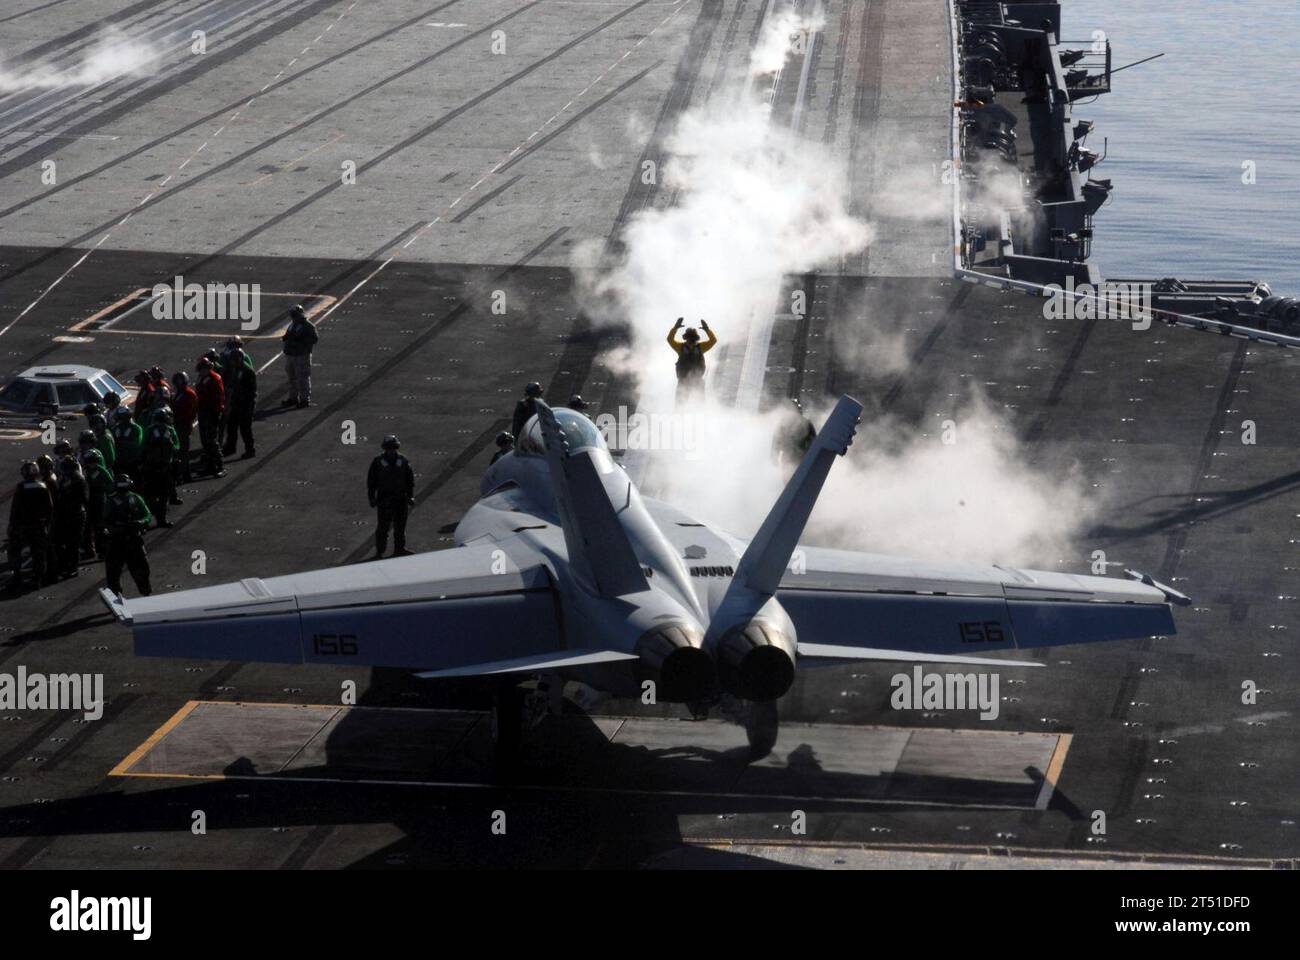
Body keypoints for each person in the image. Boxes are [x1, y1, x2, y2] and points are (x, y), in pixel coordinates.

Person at [103, 475, 152, 596]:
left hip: (132, 538)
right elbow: (104, 520)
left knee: (142, 569)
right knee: (113, 572)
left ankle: (145, 592)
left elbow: (147, 515)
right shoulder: (112, 500)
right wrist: (113, 528)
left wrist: (140, 523)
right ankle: (116, 595)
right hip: (118, 539)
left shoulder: (135, 498)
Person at [6, 461, 53, 589]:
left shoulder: (21, 487)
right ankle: (37, 579)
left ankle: (16, 577)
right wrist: (47, 524)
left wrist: (12, 525)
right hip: (38, 525)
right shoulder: (43, 486)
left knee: (15, 550)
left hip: (22, 525)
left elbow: (15, 509)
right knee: (38, 553)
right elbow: (49, 508)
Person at [367, 436, 414, 558]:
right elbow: (371, 481)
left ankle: (400, 548)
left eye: (393, 448)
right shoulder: (377, 462)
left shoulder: (403, 461)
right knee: (383, 528)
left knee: (400, 527)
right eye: (389, 448)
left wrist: (411, 496)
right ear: (385, 449)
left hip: (400, 499)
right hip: (384, 500)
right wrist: (371, 497)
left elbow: (410, 480)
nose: (391, 450)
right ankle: (379, 552)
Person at [52, 448, 88, 577]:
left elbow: (84, 499)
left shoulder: (78, 479)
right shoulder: (63, 478)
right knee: (61, 542)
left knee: (72, 543)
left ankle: (72, 567)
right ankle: (64, 565)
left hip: (76, 514)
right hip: (65, 513)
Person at [140, 409, 177, 528]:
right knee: (160, 494)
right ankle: (160, 517)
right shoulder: (168, 430)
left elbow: (142, 447)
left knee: (157, 494)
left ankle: (157, 517)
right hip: (159, 466)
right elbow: (177, 446)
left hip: (158, 466)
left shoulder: (152, 430)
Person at [667, 318, 717, 404]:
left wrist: (707, 329)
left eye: (693, 338)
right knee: (680, 404)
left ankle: (699, 416)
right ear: (686, 338)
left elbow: (713, 340)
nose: (691, 340)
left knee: (699, 404)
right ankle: (679, 416)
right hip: (683, 381)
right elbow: (670, 339)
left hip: (696, 380)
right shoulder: (681, 347)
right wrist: (675, 328)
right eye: (690, 338)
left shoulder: (700, 347)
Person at [281, 304, 318, 408]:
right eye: (292, 315)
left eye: (295, 315)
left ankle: (304, 400)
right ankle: (293, 398)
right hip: (290, 355)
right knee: (291, 378)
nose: (293, 317)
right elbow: (289, 335)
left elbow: (314, 339)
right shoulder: (292, 325)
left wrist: (301, 340)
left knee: (303, 378)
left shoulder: (308, 326)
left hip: (302, 355)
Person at [79, 446, 113, 560]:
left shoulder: (101, 470)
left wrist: (100, 488)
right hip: (89, 501)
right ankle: (90, 550)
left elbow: (110, 485)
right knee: (87, 527)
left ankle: (103, 551)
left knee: (100, 527)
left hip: (99, 501)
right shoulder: (84, 471)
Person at [222, 348, 257, 459]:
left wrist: (243, 402)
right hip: (236, 402)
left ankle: (250, 450)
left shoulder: (248, 371)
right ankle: (230, 447)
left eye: (235, 359)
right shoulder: (236, 369)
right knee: (231, 426)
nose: (233, 362)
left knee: (245, 428)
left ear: (240, 359)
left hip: (245, 405)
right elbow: (233, 382)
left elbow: (251, 392)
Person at [195, 358, 226, 477]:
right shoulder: (202, 377)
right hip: (203, 412)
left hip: (212, 413)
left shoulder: (215, 378)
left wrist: (214, 413)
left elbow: (219, 398)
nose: (200, 371)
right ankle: (210, 465)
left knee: (212, 441)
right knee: (205, 440)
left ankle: (220, 466)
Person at [771, 397, 817, 470]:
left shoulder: (806, 423)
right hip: (790, 457)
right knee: (789, 476)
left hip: (800, 457)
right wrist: (774, 456)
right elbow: (776, 439)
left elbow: (814, 442)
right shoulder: (783, 424)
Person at [171, 371, 198, 484]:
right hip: (177, 425)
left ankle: (185, 475)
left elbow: (190, 412)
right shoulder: (177, 394)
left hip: (183, 426)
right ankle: (181, 473)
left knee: (183, 452)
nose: (177, 384)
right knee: (179, 451)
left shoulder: (189, 394)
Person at [110, 407, 143, 477]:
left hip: (132, 462)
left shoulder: (136, 428)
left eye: (125, 417)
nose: (123, 419)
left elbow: (137, 445)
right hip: (119, 462)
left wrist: (121, 443)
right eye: (121, 417)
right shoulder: (115, 428)